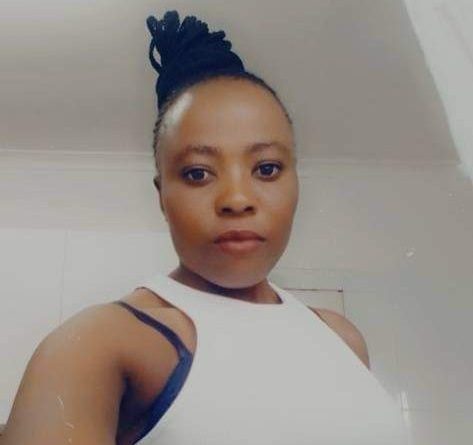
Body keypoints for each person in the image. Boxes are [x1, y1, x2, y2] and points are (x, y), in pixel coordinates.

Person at [0, 10, 403, 445]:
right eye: (197, 173)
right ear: (162, 195)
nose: (237, 198)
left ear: (295, 181)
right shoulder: (100, 343)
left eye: (267, 168)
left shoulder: (341, 337)